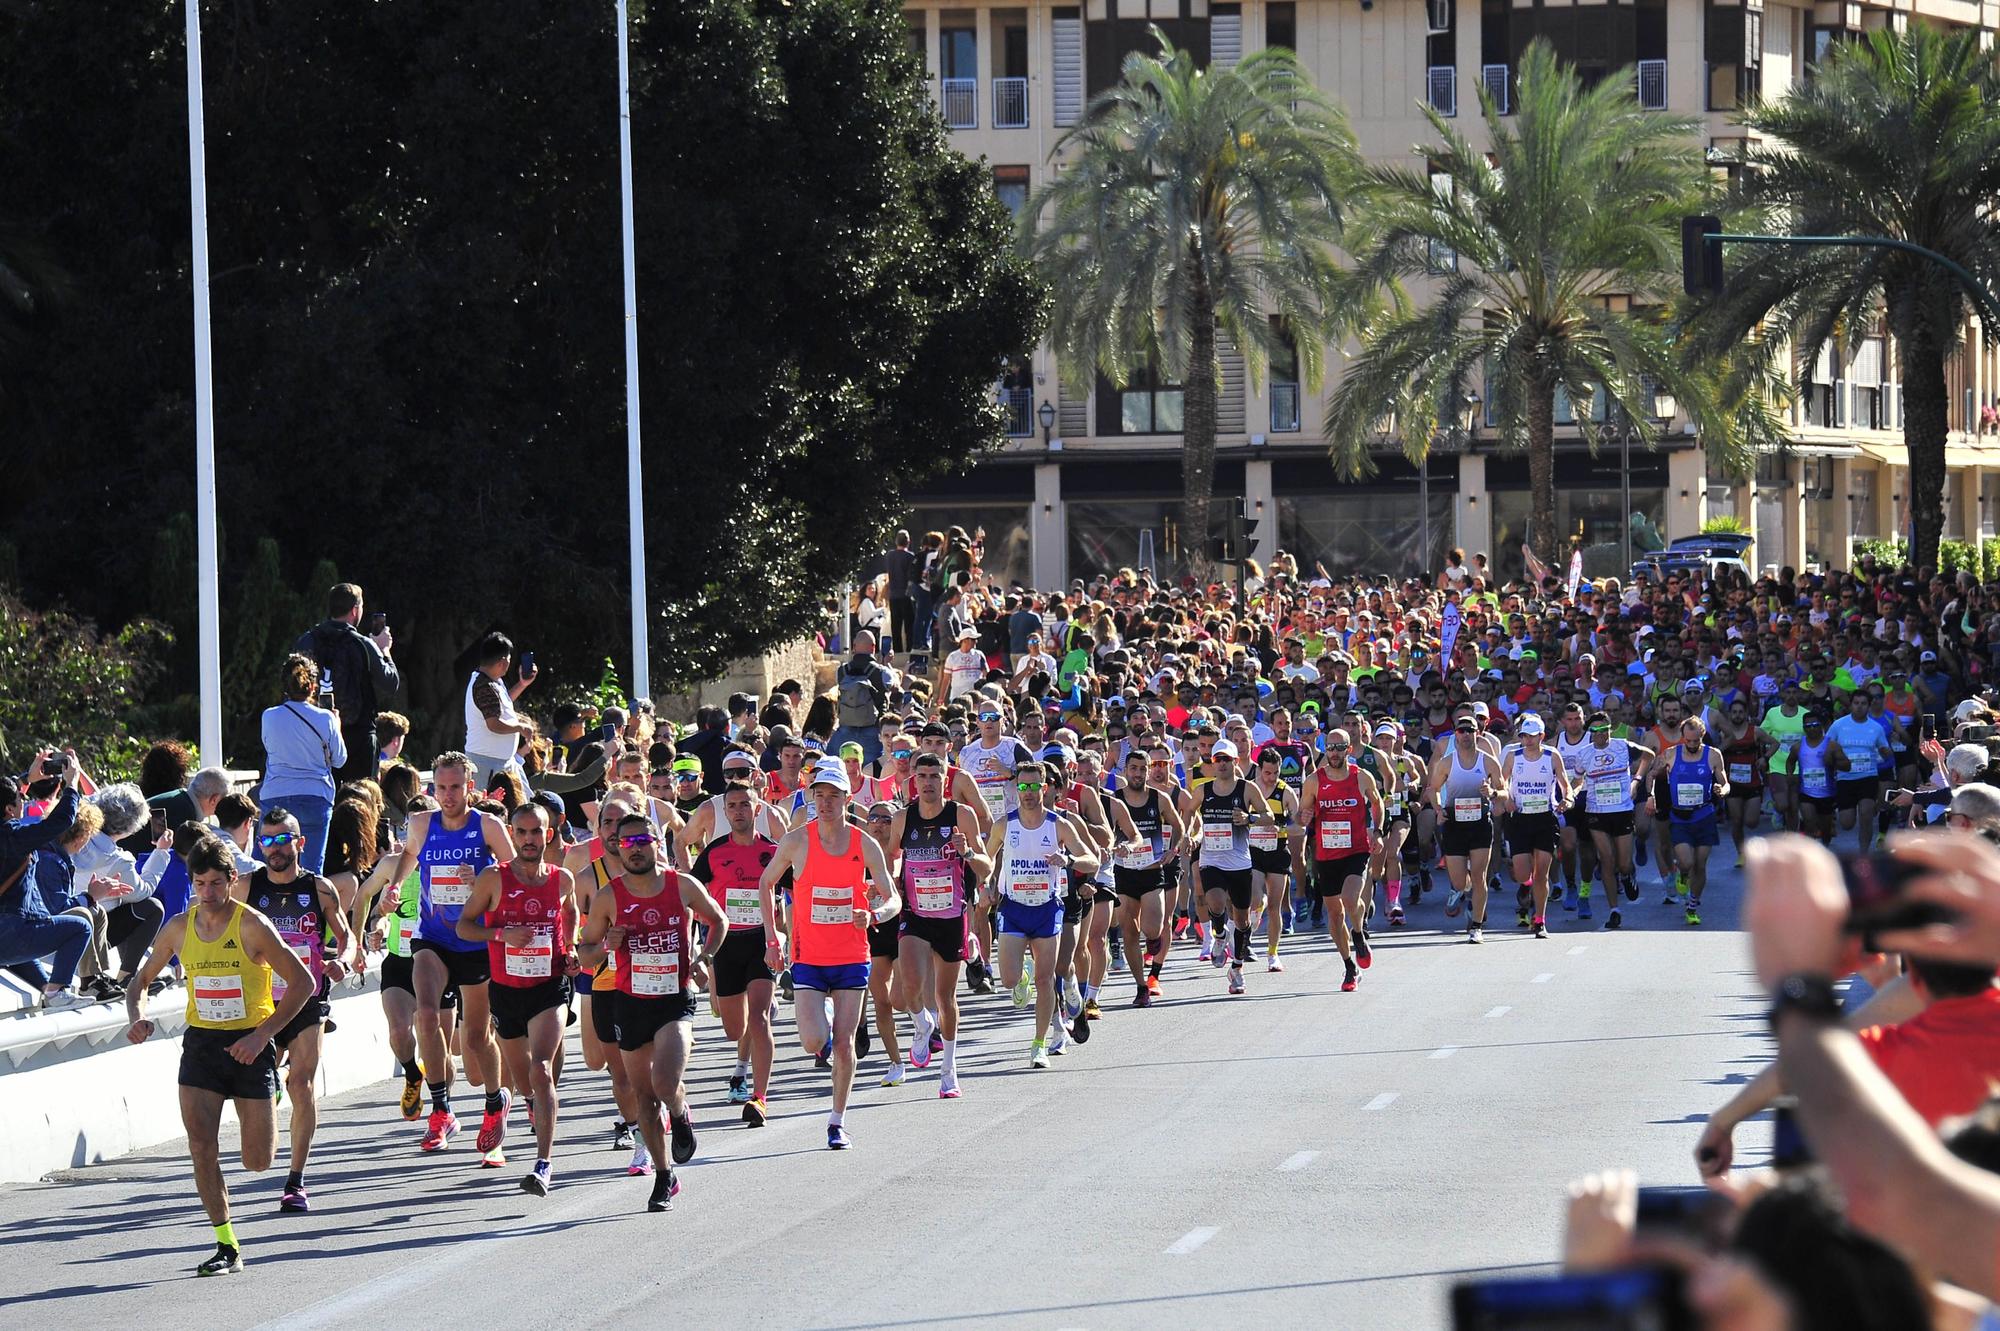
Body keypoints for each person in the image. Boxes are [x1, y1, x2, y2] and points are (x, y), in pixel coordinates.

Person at [123, 835, 314, 1276]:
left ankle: (271, 1100)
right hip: (203, 1045)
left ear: (231, 880)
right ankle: (226, 1244)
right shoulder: (178, 927)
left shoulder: (251, 925)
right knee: (201, 1146)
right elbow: (141, 980)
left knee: (257, 1161)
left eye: (215, 884)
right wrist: (138, 1015)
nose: (207, 893)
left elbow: (302, 982)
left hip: (250, 1042)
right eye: (199, 884)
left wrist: (262, 1035)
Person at [577, 811, 727, 1209]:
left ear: (657, 843)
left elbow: (719, 920)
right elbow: (586, 953)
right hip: (629, 1003)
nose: (636, 848)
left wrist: (704, 957)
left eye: (643, 841)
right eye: (627, 843)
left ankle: (679, 1111)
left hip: (674, 1000)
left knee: (664, 1083)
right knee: (643, 1097)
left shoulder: (682, 885)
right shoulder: (609, 896)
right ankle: (664, 1176)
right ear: (617, 848)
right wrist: (607, 945)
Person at [757, 762, 901, 1144]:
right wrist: (774, 939)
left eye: (833, 795)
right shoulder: (796, 841)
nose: (825, 802)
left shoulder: (863, 843)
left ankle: (836, 1120)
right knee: (812, 1042)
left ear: (847, 799)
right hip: (809, 957)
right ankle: (825, 1012)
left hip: (852, 956)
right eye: (819, 795)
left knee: (843, 1043)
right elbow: (766, 882)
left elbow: (894, 899)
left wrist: (872, 915)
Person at [382, 752, 517, 1160]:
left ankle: (495, 1102)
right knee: (425, 1014)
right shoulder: (423, 823)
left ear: (469, 788)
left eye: (455, 787)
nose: (448, 795)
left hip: (475, 940)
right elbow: (409, 854)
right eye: (440, 788)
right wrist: (395, 886)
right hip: (434, 938)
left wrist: (482, 881)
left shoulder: (487, 826)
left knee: (476, 1038)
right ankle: (440, 1110)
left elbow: (515, 877)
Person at [454, 802, 577, 1195]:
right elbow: (464, 926)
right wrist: (500, 935)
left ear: (549, 835)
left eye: (535, 832)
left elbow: (570, 914)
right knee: (525, 1080)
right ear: (512, 834)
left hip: (549, 987)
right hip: (506, 990)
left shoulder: (562, 880)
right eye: (521, 832)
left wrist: (570, 950)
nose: (528, 840)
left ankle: (543, 1164)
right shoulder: (494, 878)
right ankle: (513, 1099)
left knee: (541, 1069)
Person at [236, 809, 349, 1212]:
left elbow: (345, 935)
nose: (274, 848)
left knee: (301, 1084)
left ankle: (296, 1180)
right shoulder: (246, 887)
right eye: (266, 840)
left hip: (308, 998)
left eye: (282, 839)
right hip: (263, 1000)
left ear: (299, 842)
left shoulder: (318, 889)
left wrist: (343, 958)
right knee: (264, 1082)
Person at [984, 760, 1099, 1066]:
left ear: (1045, 788)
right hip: (1013, 907)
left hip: (1047, 908)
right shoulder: (1004, 824)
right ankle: (1020, 977)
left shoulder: (1058, 824)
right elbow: (988, 858)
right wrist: (986, 883)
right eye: (1023, 786)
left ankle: (1039, 1045)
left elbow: (1093, 861)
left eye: (1035, 786)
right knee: (1008, 980)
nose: (1029, 792)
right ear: (1016, 789)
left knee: (1046, 979)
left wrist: (1069, 860)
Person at [890, 753, 990, 1096]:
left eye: (935, 775)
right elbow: (892, 860)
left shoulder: (961, 815)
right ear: (914, 781)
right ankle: (921, 1024)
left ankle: (949, 1069)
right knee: (908, 988)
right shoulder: (903, 818)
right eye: (923, 776)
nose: (929, 782)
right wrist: (884, 885)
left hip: (951, 916)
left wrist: (967, 853)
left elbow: (986, 867)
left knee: (945, 997)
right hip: (915, 915)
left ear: (945, 778)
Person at [688, 783, 779, 1125]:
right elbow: (690, 896)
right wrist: (696, 942)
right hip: (724, 943)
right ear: (725, 812)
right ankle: (745, 1055)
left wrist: (785, 938)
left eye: (745, 804)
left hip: (760, 940)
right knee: (733, 1028)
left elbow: (797, 890)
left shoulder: (773, 851)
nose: (739, 810)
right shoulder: (712, 853)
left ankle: (759, 1097)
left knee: (759, 1019)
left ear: (758, 810)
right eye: (733, 806)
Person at [0, 762, 95, 1009]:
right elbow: (60, 822)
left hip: (7, 939)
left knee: (18, 950)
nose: (25, 801)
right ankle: (57, 991)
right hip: (10, 930)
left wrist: (25, 778)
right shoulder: (14, 835)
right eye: (21, 798)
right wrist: (72, 785)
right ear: (10, 810)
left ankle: (47, 989)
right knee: (80, 927)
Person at [294, 582, 401, 786]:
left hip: (316, 737)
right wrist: (384, 650)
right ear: (355, 610)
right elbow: (390, 683)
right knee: (361, 800)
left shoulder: (307, 641)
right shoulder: (363, 644)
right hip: (358, 736)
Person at [259, 653, 348, 874]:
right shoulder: (325, 718)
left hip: (276, 794)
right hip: (314, 796)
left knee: (271, 867)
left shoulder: (269, 716)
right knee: (310, 872)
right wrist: (336, 725)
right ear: (313, 687)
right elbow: (339, 759)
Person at [1644, 716, 1729, 926]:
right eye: (1688, 741)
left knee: (1700, 865)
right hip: (1680, 817)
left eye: (1696, 741)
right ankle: (1682, 874)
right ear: (1683, 737)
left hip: (1704, 815)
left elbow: (1725, 782)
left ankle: (1692, 905)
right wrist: (1651, 796)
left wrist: (1723, 790)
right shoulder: (1671, 754)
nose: (1691, 745)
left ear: (1702, 736)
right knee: (1687, 862)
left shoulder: (1713, 755)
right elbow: (1651, 775)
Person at [462, 633, 538, 791]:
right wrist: (520, 728)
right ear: (503, 661)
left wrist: (522, 684)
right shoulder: (483, 686)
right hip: (486, 763)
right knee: (488, 809)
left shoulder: (493, 681)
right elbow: (493, 724)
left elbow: (502, 704)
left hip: (500, 762)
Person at [831, 629, 897, 764]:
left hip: (845, 729)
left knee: (843, 767)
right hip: (872, 730)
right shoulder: (881, 672)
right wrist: (886, 663)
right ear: (873, 647)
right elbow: (895, 684)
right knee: (870, 772)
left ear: (854, 647)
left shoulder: (841, 671)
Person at [883, 530, 920, 657]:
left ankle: (897, 650)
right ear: (908, 542)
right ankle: (909, 649)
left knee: (896, 624)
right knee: (909, 624)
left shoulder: (889, 556)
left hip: (893, 594)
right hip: (906, 594)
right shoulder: (910, 557)